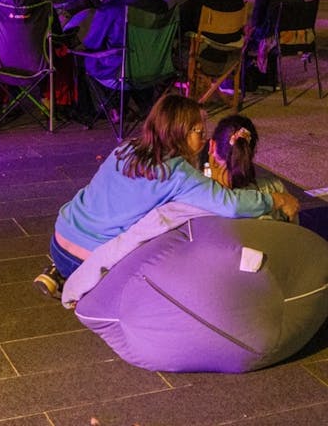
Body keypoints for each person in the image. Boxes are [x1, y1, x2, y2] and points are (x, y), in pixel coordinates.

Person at [33, 94, 300, 298]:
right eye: (199, 131)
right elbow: (229, 205)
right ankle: (86, 286)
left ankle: (58, 272)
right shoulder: (178, 173)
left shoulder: (126, 148)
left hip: (60, 238)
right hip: (87, 258)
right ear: (180, 132)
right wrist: (277, 199)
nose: (203, 139)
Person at [246, 0, 306, 89]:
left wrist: (250, 29)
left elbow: (258, 14)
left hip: (278, 35)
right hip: (301, 33)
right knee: (269, 26)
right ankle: (267, 77)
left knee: (248, 38)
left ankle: (255, 79)